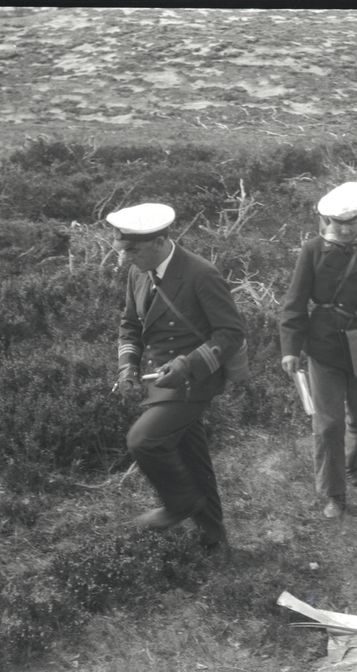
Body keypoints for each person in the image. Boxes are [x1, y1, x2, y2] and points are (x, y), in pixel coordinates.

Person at [112, 203, 247, 561]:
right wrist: (127, 368)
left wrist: (187, 366)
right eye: (124, 249)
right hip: (160, 381)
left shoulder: (201, 274)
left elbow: (231, 333)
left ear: (159, 242)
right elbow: (130, 325)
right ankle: (214, 539)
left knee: (143, 441)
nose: (127, 257)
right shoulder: (139, 272)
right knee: (192, 454)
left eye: (133, 249)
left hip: (195, 380)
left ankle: (179, 503)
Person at [280, 182, 357, 519]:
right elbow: (294, 302)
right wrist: (291, 348)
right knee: (328, 424)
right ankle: (335, 494)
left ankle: (350, 459)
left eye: (353, 222)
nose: (347, 229)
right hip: (325, 345)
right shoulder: (312, 250)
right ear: (326, 220)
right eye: (339, 223)